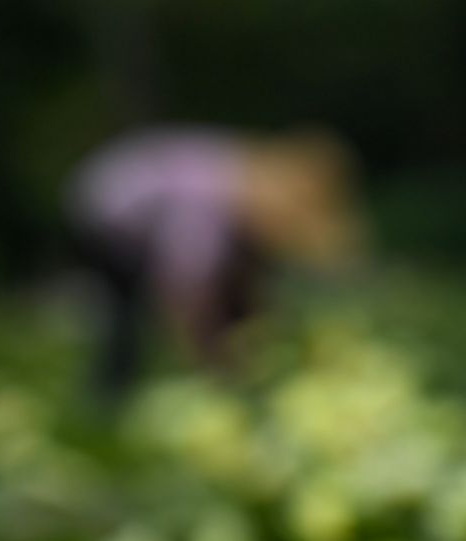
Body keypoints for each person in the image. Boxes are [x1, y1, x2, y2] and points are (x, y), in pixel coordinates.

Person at [67, 128, 362, 399]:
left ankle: (244, 367)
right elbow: (185, 291)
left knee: (237, 295)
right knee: (124, 320)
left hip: (143, 192)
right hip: (109, 216)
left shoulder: (241, 180)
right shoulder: (205, 210)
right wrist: (207, 358)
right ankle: (112, 393)